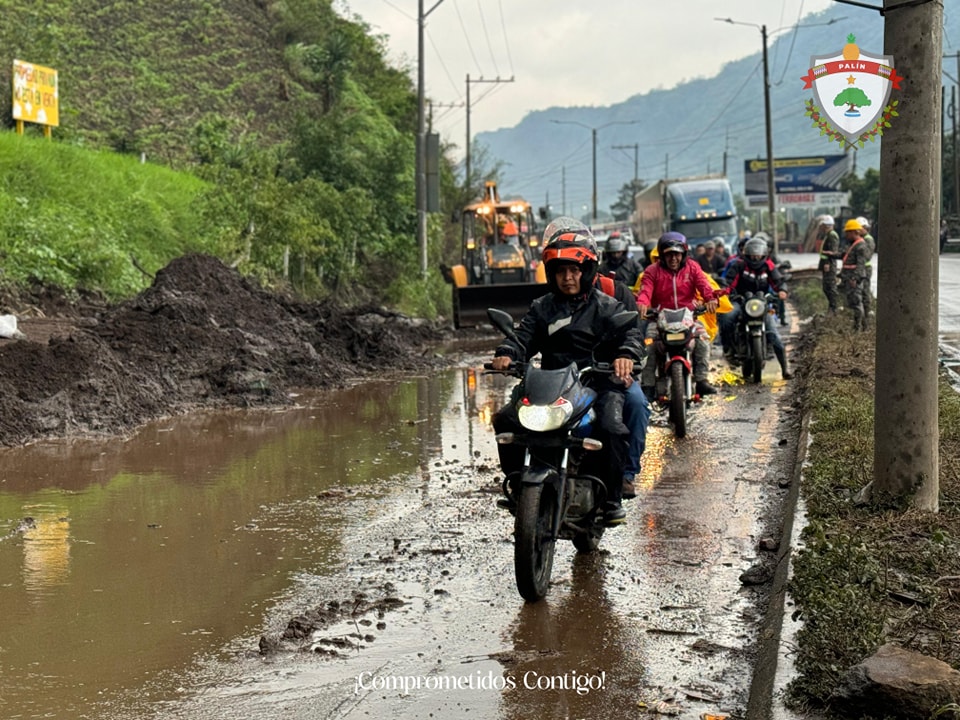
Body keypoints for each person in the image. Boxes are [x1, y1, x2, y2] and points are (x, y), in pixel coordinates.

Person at [490, 217, 645, 525]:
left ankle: (612, 498)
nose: (568, 277)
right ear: (552, 274)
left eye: (574, 270)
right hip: (549, 384)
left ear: (586, 272)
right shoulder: (543, 306)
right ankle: (519, 487)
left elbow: (631, 334)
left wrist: (626, 355)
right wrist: (507, 353)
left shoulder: (605, 305)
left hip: (595, 382)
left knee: (612, 427)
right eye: (561, 271)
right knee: (505, 419)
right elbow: (523, 336)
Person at [636, 231, 723, 397]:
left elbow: (704, 285)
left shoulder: (693, 267)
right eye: (669, 255)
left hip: (689, 317)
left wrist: (710, 299)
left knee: (703, 338)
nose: (673, 259)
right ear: (662, 255)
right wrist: (642, 303)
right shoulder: (652, 271)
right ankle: (648, 385)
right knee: (648, 344)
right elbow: (645, 290)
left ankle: (702, 380)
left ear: (683, 254)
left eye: (677, 254)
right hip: (659, 318)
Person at [721, 236, 793, 379]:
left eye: (758, 253)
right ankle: (729, 349)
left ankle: (785, 368)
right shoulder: (738, 265)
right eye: (752, 253)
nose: (755, 257)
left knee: (774, 334)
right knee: (727, 317)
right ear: (746, 253)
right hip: (740, 301)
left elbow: (777, 281)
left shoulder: (768, 266)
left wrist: (782, 290)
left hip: (762, 304)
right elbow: (728, 283)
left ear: (764, 254)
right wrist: (725, 292)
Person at [839, 219, 870, 331]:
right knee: (852, 302)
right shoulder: (853, 244)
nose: (846, 235)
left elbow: (860, 265)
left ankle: (859, 328)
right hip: (849, 277)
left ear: (854, 232)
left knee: (857, 303)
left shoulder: (861, 246)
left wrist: (854, 278)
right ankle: (858, 326)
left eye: (848, 232)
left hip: (854, 279)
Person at [817, 215, 841, 313]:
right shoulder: (828, 235)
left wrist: (827, 263)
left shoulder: (832, 235)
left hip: (829, 265)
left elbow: (832, 252)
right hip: (826, 265)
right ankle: (832, 307)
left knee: (830, 287)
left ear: (826, 225)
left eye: (822, 225)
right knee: (826, 287)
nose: (821, 227)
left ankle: (834, 308)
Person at [856, 217, 875, 318]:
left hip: (865, 269)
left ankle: (867, 313)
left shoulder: (868, 240)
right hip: (861, 268)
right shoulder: (861, 239)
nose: (858, 230)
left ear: (865, 228)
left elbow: (867, 256)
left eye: (860, 228)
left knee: (865, 291)